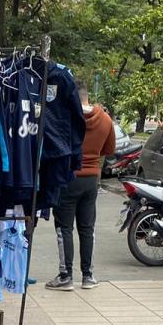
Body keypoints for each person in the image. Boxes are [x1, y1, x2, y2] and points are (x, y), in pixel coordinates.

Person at [45, 87, 116, 291]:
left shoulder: (65, 117)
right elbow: (109, 149)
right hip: (92, 179)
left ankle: (66, 276)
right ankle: (88, 276)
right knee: (87, 228)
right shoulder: (105, 119)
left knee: (64, 228)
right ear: (87, 96)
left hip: (67, 176)